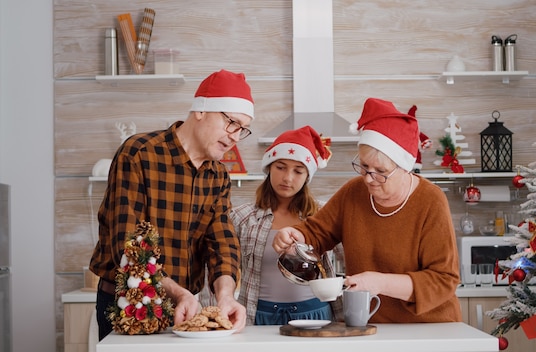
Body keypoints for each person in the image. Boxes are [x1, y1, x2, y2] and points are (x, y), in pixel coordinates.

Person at [89, 69, 253, 340]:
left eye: (242, 129)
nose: (235, 136)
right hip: (131, 305)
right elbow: (129, 245)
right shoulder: (139, 154)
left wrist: (226, 296)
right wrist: (179, 294)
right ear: (201, 110)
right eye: (231, 123)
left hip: (187, 307)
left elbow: (222, 243)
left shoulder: (219, 175)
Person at [272, 97, 462, 323]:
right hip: (370, 325)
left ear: (405, 168)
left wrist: (380, 283)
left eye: (380, 171)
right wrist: (296, 234)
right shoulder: (353, 192)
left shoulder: (431, 201)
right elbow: (318, 231)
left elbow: (444, 280)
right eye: (363, 167)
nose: (369, 179)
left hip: (429, 328)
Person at [201, 125, 341, 325]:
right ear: (269, 168)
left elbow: (355, 256)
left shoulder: (323, 215)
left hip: (315, 314)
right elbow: (213, 264)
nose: (287, 178)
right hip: (258, 316)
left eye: (298, 171)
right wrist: (212, 313)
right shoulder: (241, 217)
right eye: (281, 167)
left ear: (307, 176)